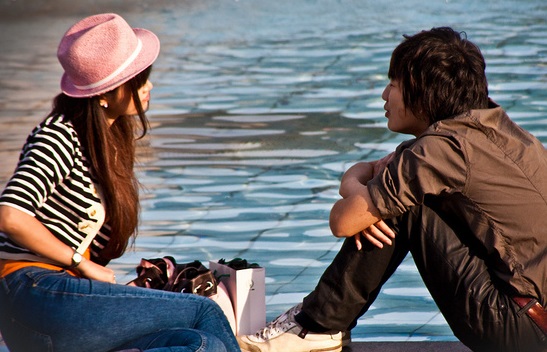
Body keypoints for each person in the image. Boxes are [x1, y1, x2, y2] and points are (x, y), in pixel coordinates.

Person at [237, 27, 547, 352]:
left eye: (393, 84)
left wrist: (354, 186)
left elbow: (341, 221)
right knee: (399, 198)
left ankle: (318, 325)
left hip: (522, 329)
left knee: (407, 208)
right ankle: (319, 323)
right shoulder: (496, 129)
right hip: (532, 319)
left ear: (424, 94)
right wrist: (360, 185)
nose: (384, 95)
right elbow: (376, 175)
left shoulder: (443, 152)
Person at [0, 13, 240, 352]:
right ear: (104, 94)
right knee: (203, 309)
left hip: (57, 304)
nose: (149, 86)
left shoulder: (101, 143)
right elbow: (10, 215)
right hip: (33, 292)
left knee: (200, 343)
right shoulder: (58, 135)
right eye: (139, 80)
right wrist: (81, 263)